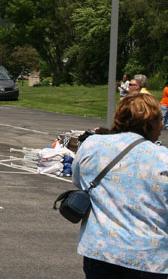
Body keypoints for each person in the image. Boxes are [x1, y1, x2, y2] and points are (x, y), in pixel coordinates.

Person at [72, 92, 167, 278]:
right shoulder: (163, 158)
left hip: (100, 251)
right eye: (160, 120)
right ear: (149, 122)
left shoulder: (92, 145)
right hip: (148, 257)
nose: (162, 126)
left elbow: (78, 180)